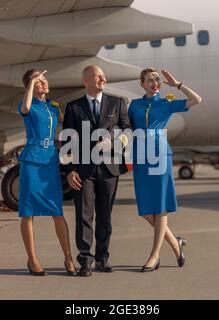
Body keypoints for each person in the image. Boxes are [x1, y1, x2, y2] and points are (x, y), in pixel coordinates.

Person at [128, 68, 202, 272]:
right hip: (141, 157)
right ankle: (176, 244)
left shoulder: (166, 103)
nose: (154, 83)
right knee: (145, 209)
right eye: (149, 80)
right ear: (142, 84)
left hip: (161, 156)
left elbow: (197, 100)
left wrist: (177, 85)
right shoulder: (134, 105)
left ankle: (154, 255)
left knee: (160, 207)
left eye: (157, 80)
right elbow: (127, 129)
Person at [62, 65, 131, 277]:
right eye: (98, 75)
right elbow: (67, 141)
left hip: (109, 168)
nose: (103, 78)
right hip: (83, 170)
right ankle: (85, 260)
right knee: (84, 216)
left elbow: (128, 130)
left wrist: (115, 142)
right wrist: (69, 170)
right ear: (85, 80)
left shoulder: (117, 103)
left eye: (103, 75)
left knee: (105, 216)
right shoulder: (74, 107)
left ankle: (102, 258)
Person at [17, 69, 77, 276]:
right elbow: (25, 107)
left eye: (44, 80)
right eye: (39, 81)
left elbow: (66, 127)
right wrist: (32, 83)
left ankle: (69, 258)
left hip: (50, 161)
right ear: (30, 85)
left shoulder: (53, 107)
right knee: (28, 214)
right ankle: (33, 261)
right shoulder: (27, 104)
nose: (44, 83)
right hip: (32, 161)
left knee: (57, 212)